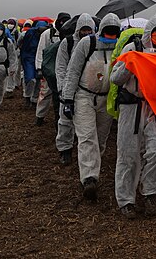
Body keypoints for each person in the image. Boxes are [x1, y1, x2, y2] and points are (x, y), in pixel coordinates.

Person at [110, 11, 156, 219]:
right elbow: (115, 78)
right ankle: (126, 200)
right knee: (128, 153)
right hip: (132, 106)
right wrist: (130, 64)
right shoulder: (133, 49)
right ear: (150, 32)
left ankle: (150, 192)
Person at [62, 12, 121, 201]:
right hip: (84, 96)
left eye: (114, 34)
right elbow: (73, 71)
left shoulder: (120, 47)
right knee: (87, 136)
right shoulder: (87, 44)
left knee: (101, 138)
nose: (111, 37)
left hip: (107, 99)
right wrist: (68, 99)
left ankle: (92, 165)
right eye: (108, 33)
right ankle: (89, 178)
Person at [55, 14, 94, 165]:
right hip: (69, 87)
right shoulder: (68, 43)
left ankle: (85, 152)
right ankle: (65, 149)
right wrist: (62, 89)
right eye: (83, 30)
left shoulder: (94, 43)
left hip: (87, 89)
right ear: (78, 29)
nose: (86, 33)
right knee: (65, 120)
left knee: (87, 123)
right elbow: (61, 66)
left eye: (88, 30)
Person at [35, 12, 71, 126]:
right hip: (48, 69)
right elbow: (41, 50)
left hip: (64, 69)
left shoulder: (69, 34)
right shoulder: (47, 34)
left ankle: (60, 117)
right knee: (45, 93)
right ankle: (40, 116)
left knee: (63, 94)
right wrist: (39, 68)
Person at [19, 20, 46, 108]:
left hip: (41, 58)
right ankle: (27, 96)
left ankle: (34, 100)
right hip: (29, 58)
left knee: (38, 80)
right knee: (30, 79)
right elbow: (23, 45)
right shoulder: (30, 34)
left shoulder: (46, 36)